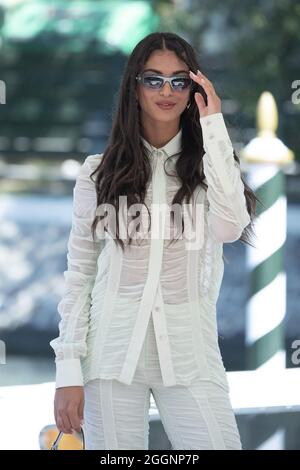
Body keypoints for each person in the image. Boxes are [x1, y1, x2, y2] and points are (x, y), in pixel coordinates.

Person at [50, 32, 258, 450]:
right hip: (109, 358)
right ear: (134, 86)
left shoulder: (210, 172)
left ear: (194, 89)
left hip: (191, 357)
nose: (167, 91)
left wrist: (213, 126)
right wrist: (68, 370)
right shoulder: (98, 173)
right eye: (153, 79)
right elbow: (81, 275)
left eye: (180, 81)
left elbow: (230, 227)